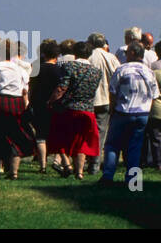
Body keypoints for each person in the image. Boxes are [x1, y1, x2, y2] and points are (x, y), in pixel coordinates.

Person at [99, 43, 158, 186]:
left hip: (123, 111)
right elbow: (155, 95)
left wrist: (112, 110)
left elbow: (112, 91)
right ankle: (133, 180)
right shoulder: (149, 72)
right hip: (142, 113)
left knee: (113, 144)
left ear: (131, 53)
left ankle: (108, 175)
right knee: (135, 146)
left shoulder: (122, 69)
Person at [0, 41, 34, 179]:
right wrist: (26, 106)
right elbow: (25, 91)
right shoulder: (20, 70)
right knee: (16, 136)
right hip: (16, 103)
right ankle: (14, 172)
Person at [46, 41, 102, 180]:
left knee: (59, 136)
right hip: (88, 110)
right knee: (81, 141)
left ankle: (66, 164)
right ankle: (80, 172)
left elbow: (62, 88)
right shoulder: (96, 71)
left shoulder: (70, 66)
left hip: (69, 108)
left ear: (75, 53)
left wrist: (51, 100)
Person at [87, 33, 120, 175]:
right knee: (101, 133)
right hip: (106, 99)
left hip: (90, 99)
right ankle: (95, 164)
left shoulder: (89, 57)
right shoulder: (111, 57)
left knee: (88, 133)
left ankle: (88, 162)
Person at [29, 40, 63, 173]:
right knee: (57, 135)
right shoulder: (59, 70)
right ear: (57, 55)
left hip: (39, 104)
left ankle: (42, 165)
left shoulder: (36, 68)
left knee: (41, 136)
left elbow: (31, 87)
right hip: (55, 105)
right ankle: (57, 161)